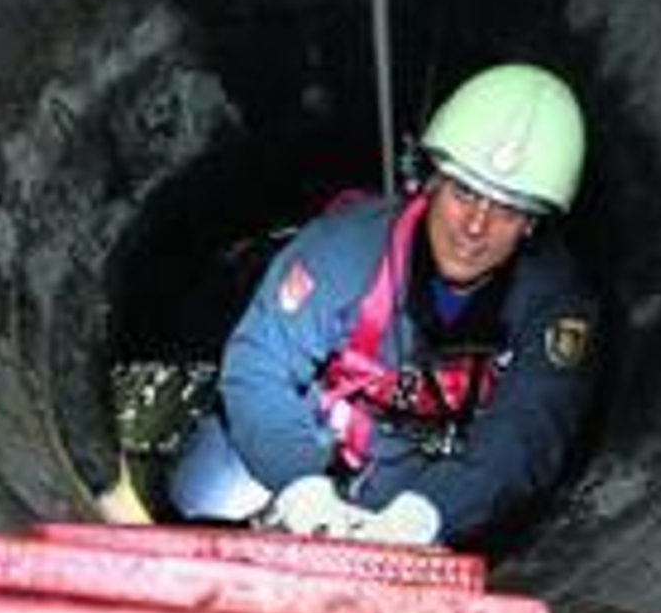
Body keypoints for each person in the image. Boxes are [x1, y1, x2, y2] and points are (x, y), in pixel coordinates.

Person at [166, 63, 600, 548]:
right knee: (198, 496)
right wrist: (299, 484)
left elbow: (527, 432)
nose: (475, 227)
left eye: (508, 208)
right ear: (432, 182)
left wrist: (427, 514)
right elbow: (261, 360)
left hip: (424, 471)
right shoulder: (346, 246)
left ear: (533, 223)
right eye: (464, 192)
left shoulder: (553, 302)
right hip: (309, 429)